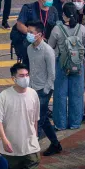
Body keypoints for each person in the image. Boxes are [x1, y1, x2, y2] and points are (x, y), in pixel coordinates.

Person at [48, 1, 85, 131]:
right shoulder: (81, 28)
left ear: (63, 14)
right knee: (76, 94)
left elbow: (50, 46)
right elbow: (84, 43)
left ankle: (60, 124)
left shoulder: (57, 29)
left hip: (62, 64)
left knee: (60, 94)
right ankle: (75, 123)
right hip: (78, 64)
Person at [25, 20, 62, 156]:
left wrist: (46, 91)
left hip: (44, 90)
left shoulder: (48, 51)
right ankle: (55, 144)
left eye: (31, 32)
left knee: (37, 120)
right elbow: (32, 69)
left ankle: (31, 151)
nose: (28, 34)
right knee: (43, 118)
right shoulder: (29, 48)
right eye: (28, 32)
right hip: (33, 88)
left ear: (39, 34)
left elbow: (52, 74)